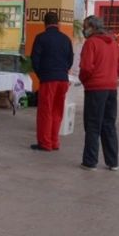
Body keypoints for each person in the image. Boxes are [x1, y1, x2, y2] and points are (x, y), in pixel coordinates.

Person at [78, 16, 119, 170]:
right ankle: (113, 162)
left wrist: (85, 80)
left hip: (95, 88)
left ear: (92, 27)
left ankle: (90, 161)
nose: (84, 29)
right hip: (111, 88)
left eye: (85, 26)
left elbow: (86, 67)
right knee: (109, 124)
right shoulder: (113, 42)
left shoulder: (91, 43)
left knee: (92, 125)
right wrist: (111, 77)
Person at [30, 11, 74, 151]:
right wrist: (63, 71)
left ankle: (45, 143)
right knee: (57, 111)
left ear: (45, 23)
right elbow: (70, 59)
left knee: (45, 111)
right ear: (58, 23)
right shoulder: (66, 39)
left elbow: (35, 60)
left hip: (48, 79)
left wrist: (41, 75)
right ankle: (55, 142)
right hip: (63, 79)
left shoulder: (41, 38)